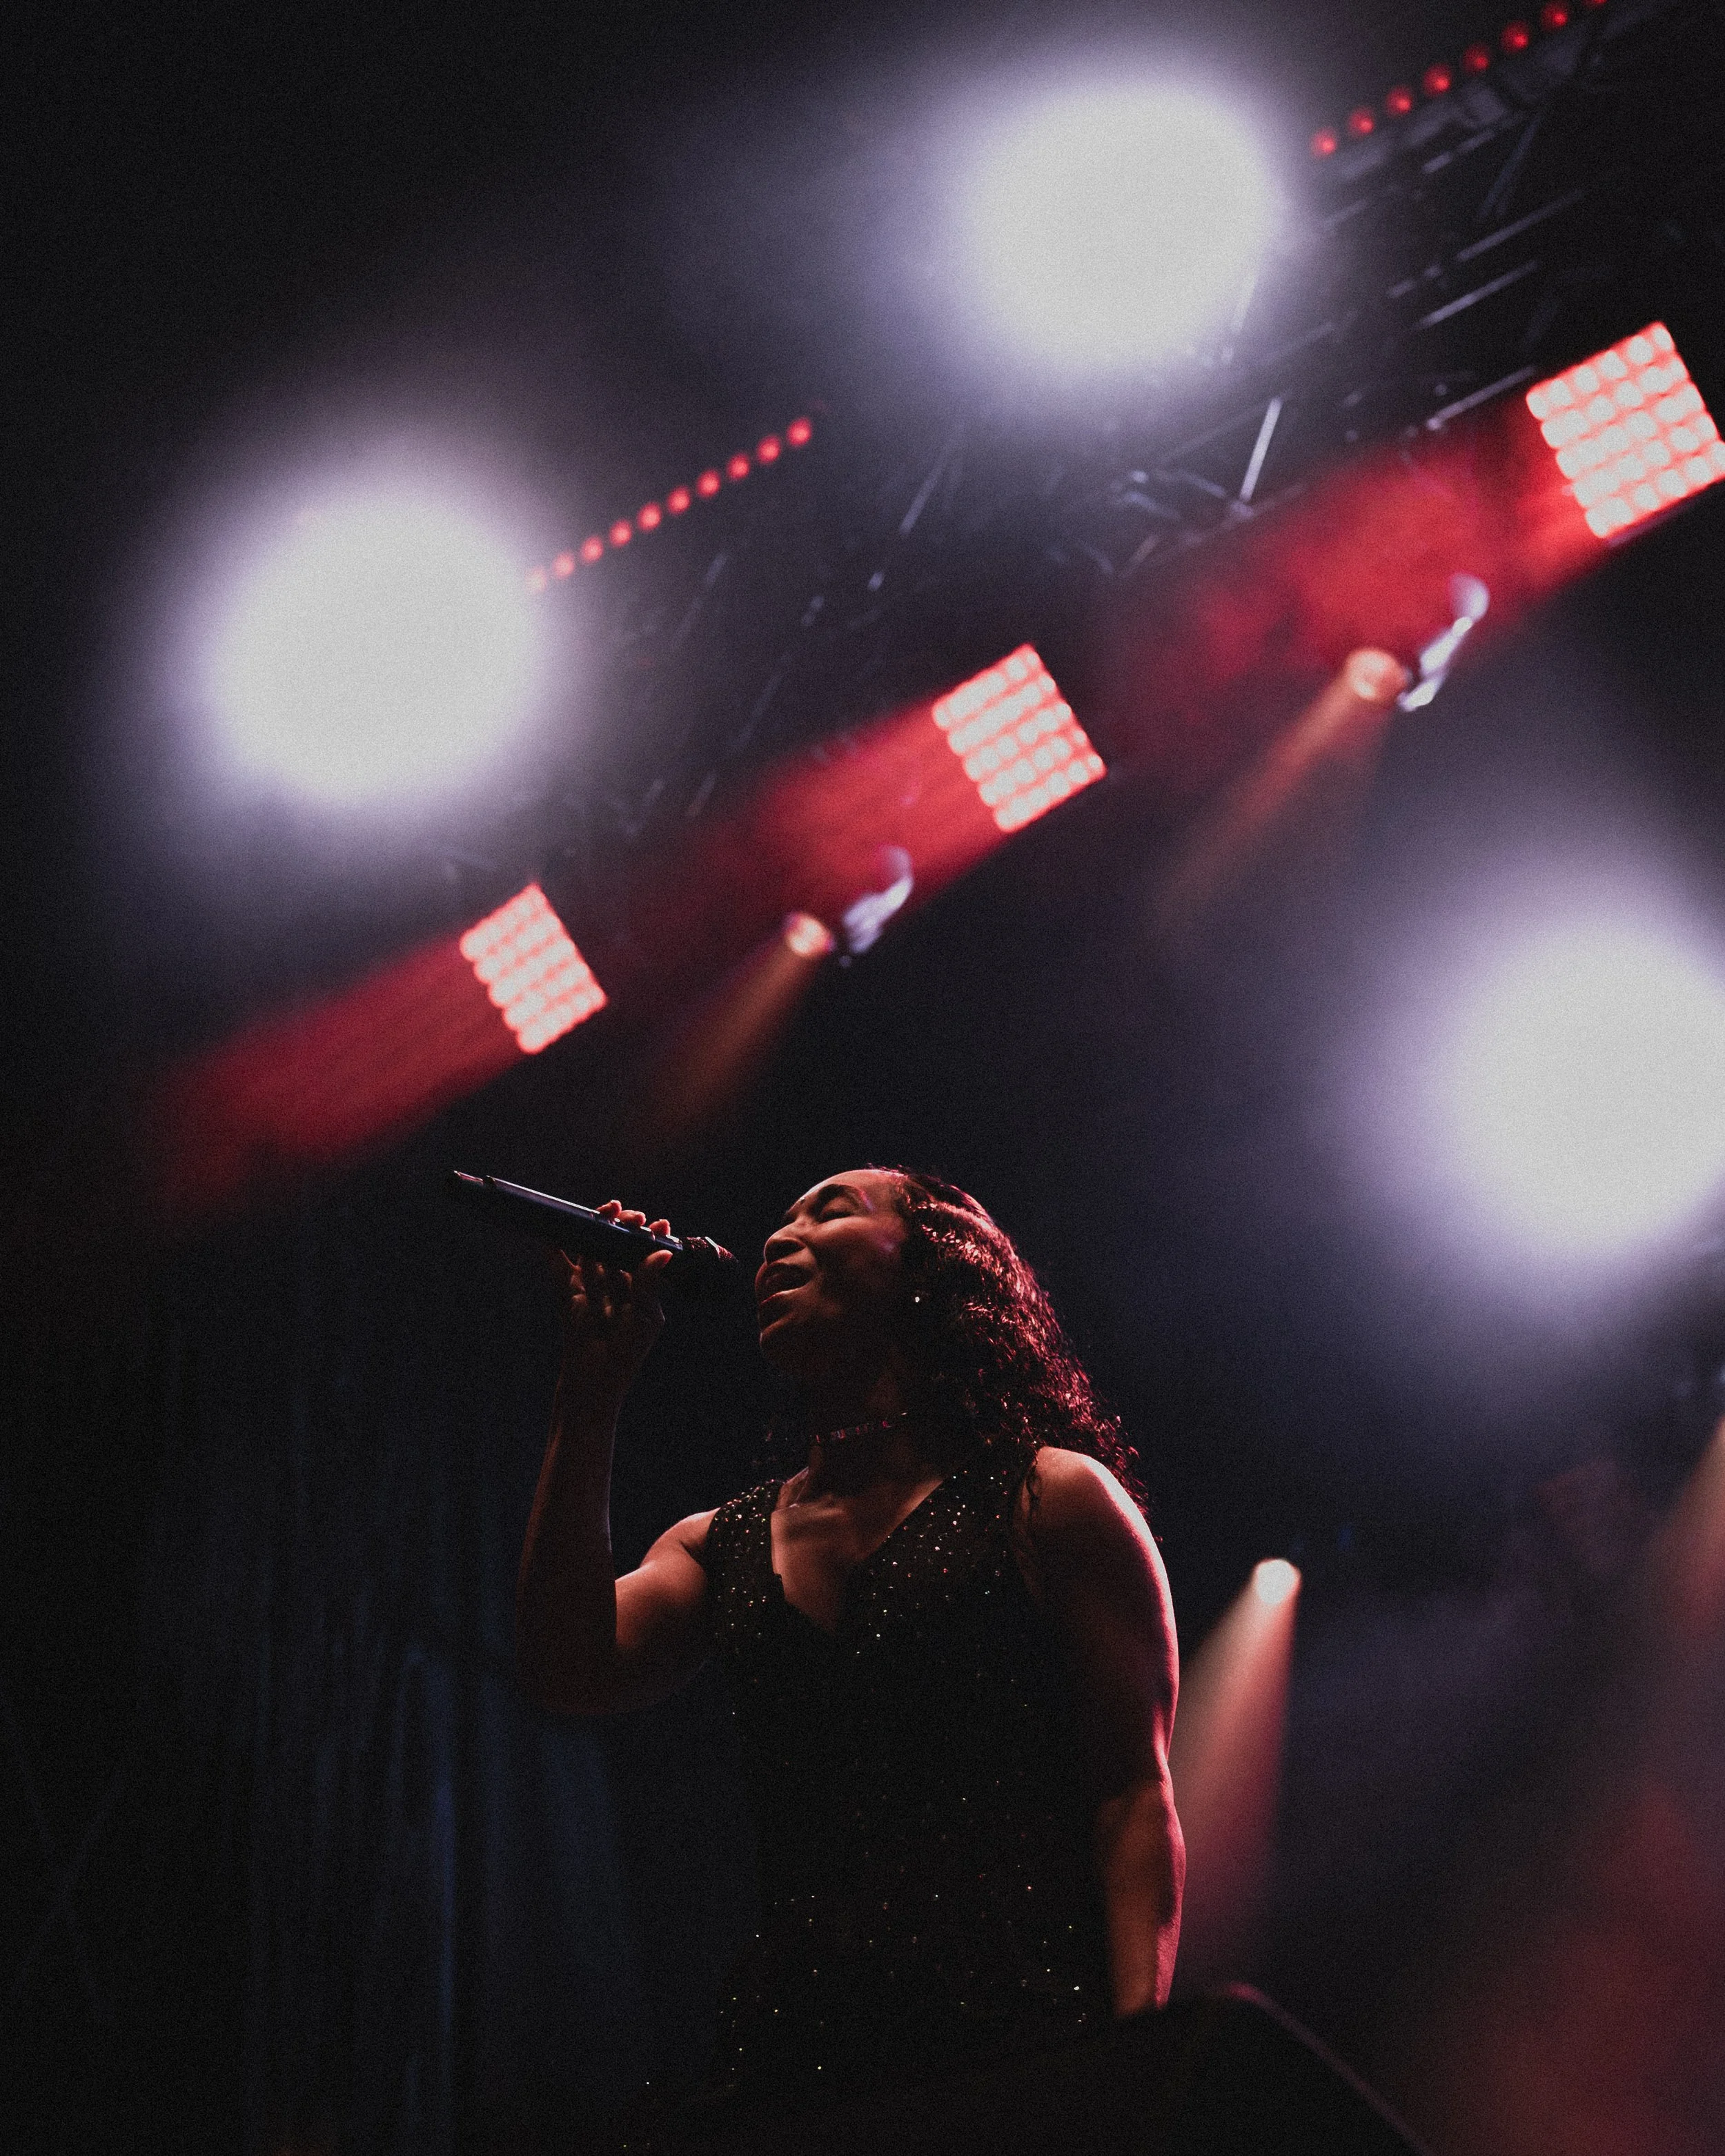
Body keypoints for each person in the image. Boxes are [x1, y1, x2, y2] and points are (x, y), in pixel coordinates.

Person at [515, 1167, 1183, 2113]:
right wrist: (590, 1390)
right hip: (795, 2059)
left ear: (930, 1264)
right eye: (780, 1218)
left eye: (830, 1210)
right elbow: (566, 1668)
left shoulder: (1049, 1499)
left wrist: (1132, 2062)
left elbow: (1133, 1798)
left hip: (1020, 2039)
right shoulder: (724, 1543)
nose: (778, 1237)